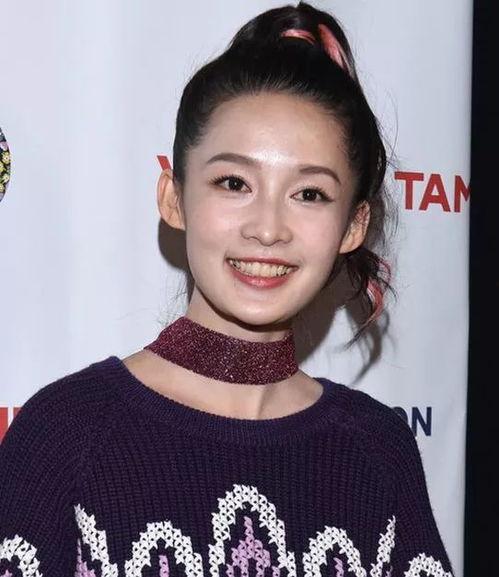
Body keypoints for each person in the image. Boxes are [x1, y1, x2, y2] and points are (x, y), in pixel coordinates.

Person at [0, 2, 455, 576]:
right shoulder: (67, 434)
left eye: (309, 193)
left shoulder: (377, 450)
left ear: (354, 226)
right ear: (173, 198)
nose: (267, 228)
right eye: (234, 182)